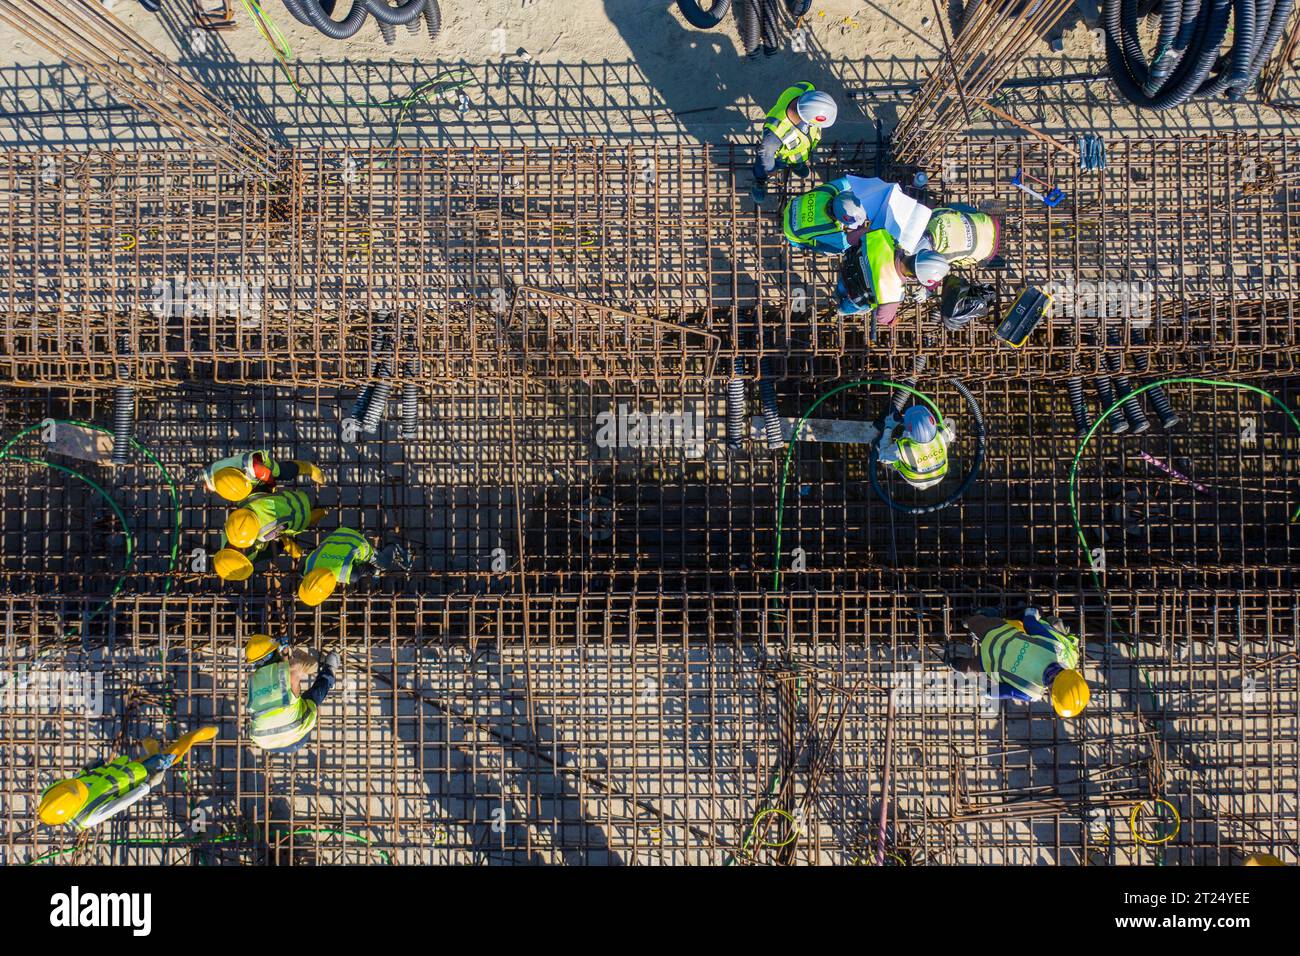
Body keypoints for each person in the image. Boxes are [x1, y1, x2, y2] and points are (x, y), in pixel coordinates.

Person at [37, 728, 217, 829]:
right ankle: (193, 737)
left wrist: (88, 769)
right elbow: (121, 803)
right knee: (166, 760)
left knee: (152, 759)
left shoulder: (52, 794)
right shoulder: (88, 818)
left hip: (119, 772)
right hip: (134, 780)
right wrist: (147, 786)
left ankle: (153, 750)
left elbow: (78, 780)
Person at [949, 608, 1090, 718]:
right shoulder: (1032, 693)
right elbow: (1002, 691)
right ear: (1053, 694)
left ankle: (967, 621)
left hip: (997, 632)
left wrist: (1032, 611)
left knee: (977, 622)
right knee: (967, 668)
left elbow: (1030, 623)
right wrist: (987, 693)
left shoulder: (1054, 647)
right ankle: (952, 662)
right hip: (987, 663)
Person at [245, 634, 338, 753]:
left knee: (292, 700)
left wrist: (280, 654)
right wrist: (289, 650)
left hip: (267, 743)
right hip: (296, 737)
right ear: (273, 653)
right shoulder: (289, 670)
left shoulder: (252, 681)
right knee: (309, 699)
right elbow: (299, 666)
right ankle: (329, 672)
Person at [835, 228, 951, 324]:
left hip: (846, 273)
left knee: (841, 287)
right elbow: (882, 318)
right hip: (855, 298)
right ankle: (841, 310)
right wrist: (893, 320)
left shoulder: (883, 237)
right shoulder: (894, 295)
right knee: (863, 306)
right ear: (916, 277)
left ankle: (838, 293)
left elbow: (851, 238)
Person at [750, 83, 838, 206]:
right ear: (808, 120)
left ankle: (797, 165)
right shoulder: (777, 130)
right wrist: (770, 169)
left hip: (798, 153)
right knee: (763, 165)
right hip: (781, 156)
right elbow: (765, 152)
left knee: (798, 161)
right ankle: (759, 181)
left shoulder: (805, 89)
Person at [297, 527, 410, 607]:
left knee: (384, 564)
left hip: (357, 541)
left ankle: (392, 547)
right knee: (351, 561)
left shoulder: (348, 574)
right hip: (338, 534)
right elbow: (302, 573)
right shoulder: (309, 565)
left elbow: (368, 568)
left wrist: (375, 571)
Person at [877, 405, 956, 490]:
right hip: (940, 475)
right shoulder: (942, 433)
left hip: (916, 480)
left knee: (881, 448)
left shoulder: (903, 448)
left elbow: (883, 457)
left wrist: (888, 428)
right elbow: (951, 431)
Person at [224, 489, 327, 552]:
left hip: (300, 519)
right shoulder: (246, 503)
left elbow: (280, 532)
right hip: (296, 497)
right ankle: (318, 508)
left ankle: (323, 512)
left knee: (309, 519)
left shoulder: (263, 535)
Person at [201, 450, 323, 503]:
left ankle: (308, 468)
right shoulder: (213, 475)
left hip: (265, 466)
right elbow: (206, 483)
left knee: (283, 472)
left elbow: (269, 476)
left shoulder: (253, 467)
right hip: (249, 481)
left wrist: (272, 485)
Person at [782, 181, 867, 254]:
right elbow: (844, 243)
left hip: (791, 207)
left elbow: (849, 180)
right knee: (838, 249)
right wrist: (861, 231)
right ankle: (821, 251)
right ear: (845, 218)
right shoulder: (828, 228)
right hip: (791, 234)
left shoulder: (828, 191)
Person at [918, 204, 1001, 268]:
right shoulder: (936, 256)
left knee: (954, 207)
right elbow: (959, 262)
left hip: (990, 222)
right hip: (936, 225)